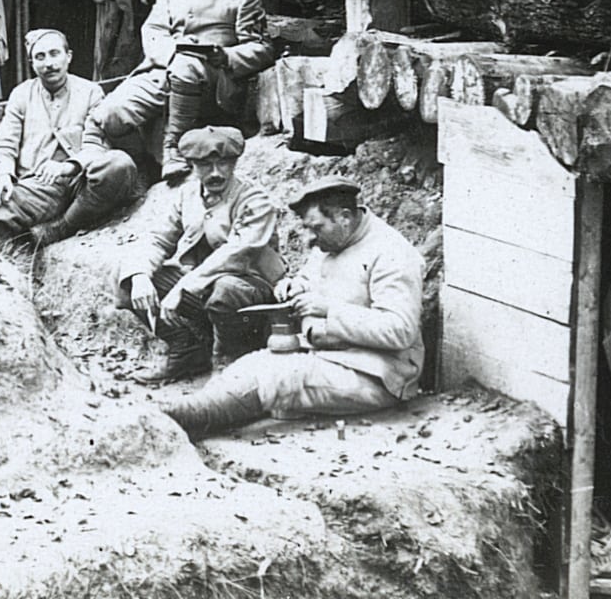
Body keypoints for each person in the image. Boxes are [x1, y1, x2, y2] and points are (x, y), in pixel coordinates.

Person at [161, 178, 425, 440]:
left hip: (375, 373)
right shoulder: (333, 238)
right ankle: (186, 413)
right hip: (325, 352)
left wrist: (328, 309)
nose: (310, 238)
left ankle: (181, 421)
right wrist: (294, 285)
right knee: (249, 364)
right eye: (307, 229)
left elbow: (400, 330)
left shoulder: (392, 253)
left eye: (316, 228)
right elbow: (311, 276)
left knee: (278, 377)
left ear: (344, 217)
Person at [86, 0, 278, 182]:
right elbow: (152, 31)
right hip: (163, 72)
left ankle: (173, 148)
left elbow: (263, 48)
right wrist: (171, 56)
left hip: (212, 81)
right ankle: (142, 165)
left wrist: (226, 56)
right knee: (109, 115)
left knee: (186, 67)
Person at [117, 126, 286, 384]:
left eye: (224, 163)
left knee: (226, 289)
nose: (216, 173)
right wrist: (139, 275)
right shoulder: (187, 195)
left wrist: (183, 287)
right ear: (192, 165)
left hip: (250, 293)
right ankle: (186, 348)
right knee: (128, 279)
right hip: (202, 290)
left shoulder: (255, 200)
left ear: (235, 162)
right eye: (206, 165)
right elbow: (158, 238)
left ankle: (228, 359)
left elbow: (235, 255)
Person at [0, 29, 142, 248]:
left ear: (69, 56)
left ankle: (63, 226)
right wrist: (1, 177)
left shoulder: (90, 92)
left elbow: (97, 146)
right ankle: (3, 270)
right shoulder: (21, 94)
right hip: (39, 187)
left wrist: (69, 166)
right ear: (32, 63)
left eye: (55, 54)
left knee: (119, 164)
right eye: (40, 57)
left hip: (83, 181)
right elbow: (4, 144)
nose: (49, 63)